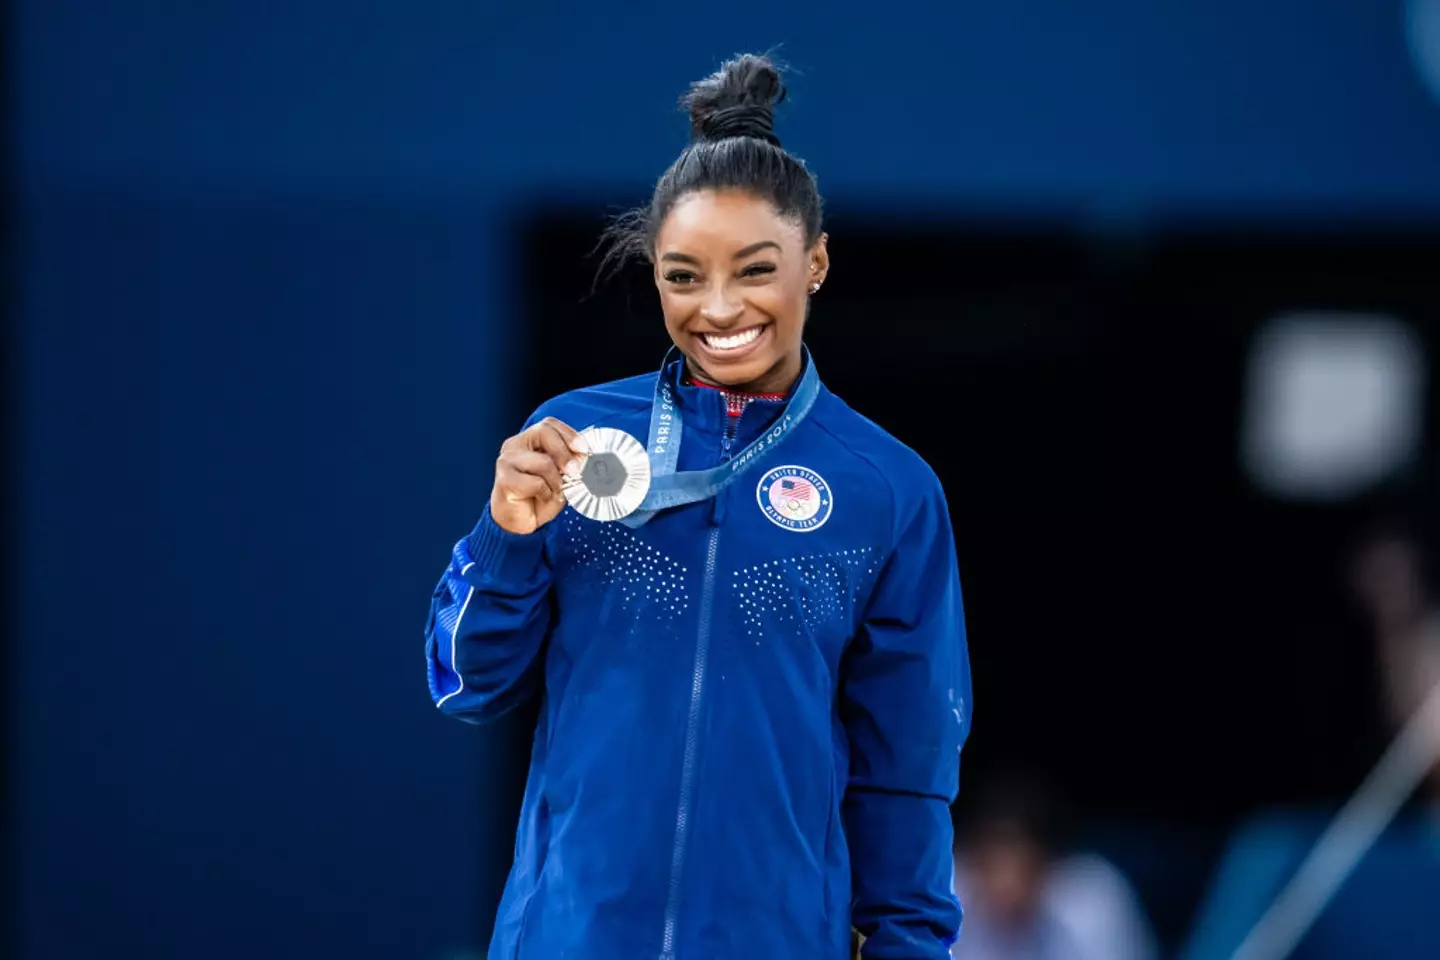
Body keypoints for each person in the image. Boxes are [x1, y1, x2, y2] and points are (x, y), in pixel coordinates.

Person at [426, 53, 973, 959]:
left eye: (755, 270)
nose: (719, 308)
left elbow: (906, 767)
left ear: (817, 264)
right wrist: (505, 538)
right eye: (683, 276)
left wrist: (911, 948)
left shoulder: (888, 488)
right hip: (569, 939)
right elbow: (467, 684)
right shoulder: (568, 440)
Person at [951, 774, 1158, 960]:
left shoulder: (1091, 902)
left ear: (1045, 859)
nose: (1001, 883)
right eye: (989, 863)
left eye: (1014, 862)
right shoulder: (948, 894)